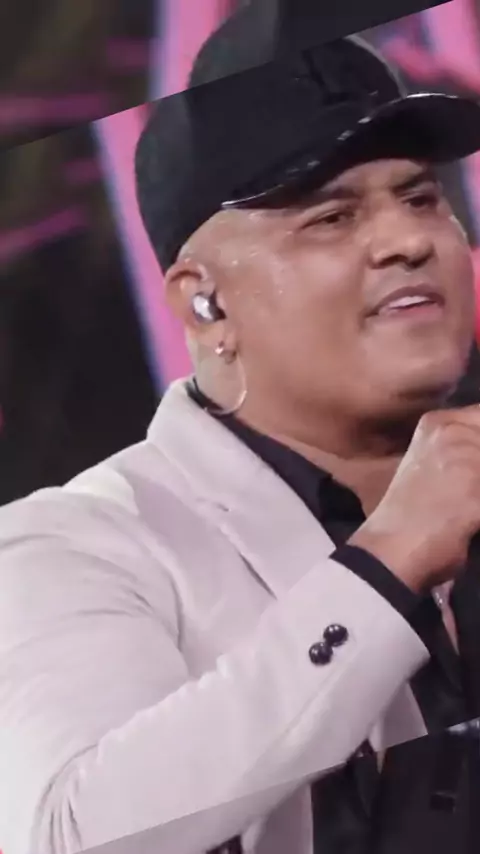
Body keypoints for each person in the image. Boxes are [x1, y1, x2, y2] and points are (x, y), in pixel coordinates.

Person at [2, 9, 480, 854]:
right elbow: (78, 834)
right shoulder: (78, 544)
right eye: (331, 217)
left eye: (419, 196)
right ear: (204, 303)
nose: (408, 239)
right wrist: (388, 563)